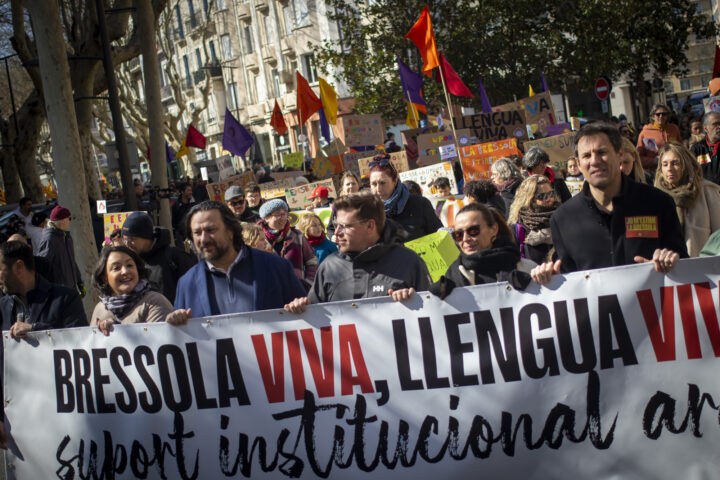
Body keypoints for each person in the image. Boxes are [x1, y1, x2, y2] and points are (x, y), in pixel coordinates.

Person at [532, 122, 688, 284]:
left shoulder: (659, 203)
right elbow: (567, 280)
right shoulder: (563, 219)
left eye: (602, 152)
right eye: (586, 156)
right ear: (578, 163)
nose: (595, 161)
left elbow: (685, 266)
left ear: (620, 154)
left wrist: (668, 266)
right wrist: (549, 278)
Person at [284, 192, 430, 312]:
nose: (337, 232)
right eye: (336, 225)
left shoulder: (409, 262)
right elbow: (315, 315)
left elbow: (432, 315)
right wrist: (302, 308)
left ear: (370, 226)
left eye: (345, 226)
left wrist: (412, 303)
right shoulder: (329, 266)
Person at [169, 201, 306, 322]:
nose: (204, 239)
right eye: (197, 233)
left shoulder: (277, 267)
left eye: (210, 230)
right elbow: (183, 335)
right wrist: (176, 321)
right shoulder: (187, 283)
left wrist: (300, 307)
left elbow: (306, 318)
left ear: (230, 231)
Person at [430, 203, 531, 299]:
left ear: (494, 229)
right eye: (458, 234)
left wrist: (540, 278)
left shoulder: (526, 269)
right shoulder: (451, 277)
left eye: (473, 231)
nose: (465, 239)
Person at [654, 142, 720, 257]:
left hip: (703, 263)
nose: (669, 169)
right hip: (669, 264)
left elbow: (718, 235)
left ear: (686, 164)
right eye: (665, 164)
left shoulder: (706, 191)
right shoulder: (657, 196)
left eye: (675, 163)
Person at [91, 245, 174, 335]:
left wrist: (116, 330)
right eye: (116, 268)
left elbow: (156, 340)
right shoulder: (100, 308)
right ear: (104, 278)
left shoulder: (154, 302)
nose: (125, 271)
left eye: (129, 265)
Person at [121, 211, 196, 304]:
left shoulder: (175, 258)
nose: (127, 244)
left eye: (131, 239)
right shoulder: (130, 263)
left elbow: (195, 292)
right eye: (124, 239)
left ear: (147, 237)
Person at [368, 153, 442, 241]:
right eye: (374, 184)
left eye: (383, 183)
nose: (378, 189)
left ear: (395, 181)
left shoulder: (420, 204)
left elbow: (440, 237)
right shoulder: (367, 212)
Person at [259, 199, 318, 290]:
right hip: (271, 292)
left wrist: (307, 284)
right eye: (278, 214)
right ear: (266, 218)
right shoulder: (259, 239)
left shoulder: (297, 235)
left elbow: (312, 261)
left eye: (284, 213)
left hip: (298, 291)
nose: (282, 217)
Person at [507, 175, 559, 265]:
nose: (548, 199)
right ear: (529, 199)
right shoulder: (518, 228)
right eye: (542, 196)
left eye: (551, 194)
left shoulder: (563, 216)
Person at [37, 205, 85, 295]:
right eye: (69, 218)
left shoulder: (66, 237)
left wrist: (79, 281)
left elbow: (72, 261)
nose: (70, 221)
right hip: (58, 291)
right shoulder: (49, 239)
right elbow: (42, 267)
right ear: (62, 220)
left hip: (71, 288)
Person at [636, 104, 681, 172]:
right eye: (658, 114)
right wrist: (653, 161)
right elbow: (638, 157)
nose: (661, 116)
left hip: (673, 169)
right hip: (654, 171)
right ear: (653, 116)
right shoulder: (645, 133)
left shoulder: (674, 129)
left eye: (664, 114)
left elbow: (681, 148)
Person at [690, 111, 720, 185]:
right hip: (705, 189)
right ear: (706, 128)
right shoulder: (697, 148)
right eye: (715, 124)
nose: (719, 127)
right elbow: (690, 172)